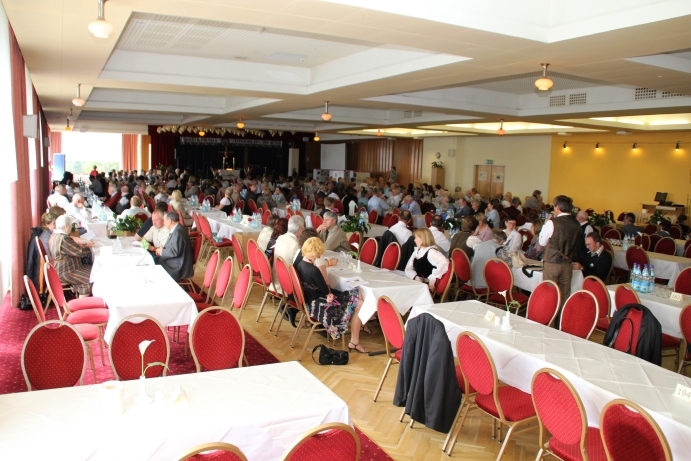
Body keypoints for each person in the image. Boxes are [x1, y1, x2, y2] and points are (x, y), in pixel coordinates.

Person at [296, 237, 368, 352]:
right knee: (359, 301)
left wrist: (330, 293)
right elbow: (327, 292)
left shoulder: (300, 264)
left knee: (357, 296)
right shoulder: (314, 270)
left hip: (309, 302)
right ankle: (354, 341)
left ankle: (358, 332)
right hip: (318, 304)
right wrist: (330, 295)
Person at [539, 195, 582, 304]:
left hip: (552, 262)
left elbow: (542, 242)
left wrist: (545, 224)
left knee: (550, 293)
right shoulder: (577, 223)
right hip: (568, 263)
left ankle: (549, 315)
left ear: (557, 207)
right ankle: (561, 315)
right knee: (564, 295)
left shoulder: (552, 223)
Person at [48, 215, 94, 297]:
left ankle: (81, 302)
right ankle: (82, 303)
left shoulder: (55, 235)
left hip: (64, 268)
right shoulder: (63, 239)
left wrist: (83, 245)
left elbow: (72, 248)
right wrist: (90, 247)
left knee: (94, 271)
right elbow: (80, 252)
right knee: (94, 276)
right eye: (70, 225)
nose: (71, 227)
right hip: (67, 271)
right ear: (66, 226)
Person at [404, 228, 449, 293]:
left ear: (423, 239)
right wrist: (415, 277)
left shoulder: (432, 252)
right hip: (417, 281)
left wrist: (432, 278)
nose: (414, 240)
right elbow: (408, 267)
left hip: (425, 285)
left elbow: (445, 262)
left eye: (416, 238)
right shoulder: (418, 250)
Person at [155, 212, 194, 282]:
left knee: (155, 263)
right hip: (178, 261)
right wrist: (162, 250)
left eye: (164, 221)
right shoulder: (178, 228)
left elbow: (174, 252)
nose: (163, 223)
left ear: (170, 221)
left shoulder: (177, 232)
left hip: (179, 267)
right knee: (155, 260)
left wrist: (161, 252)